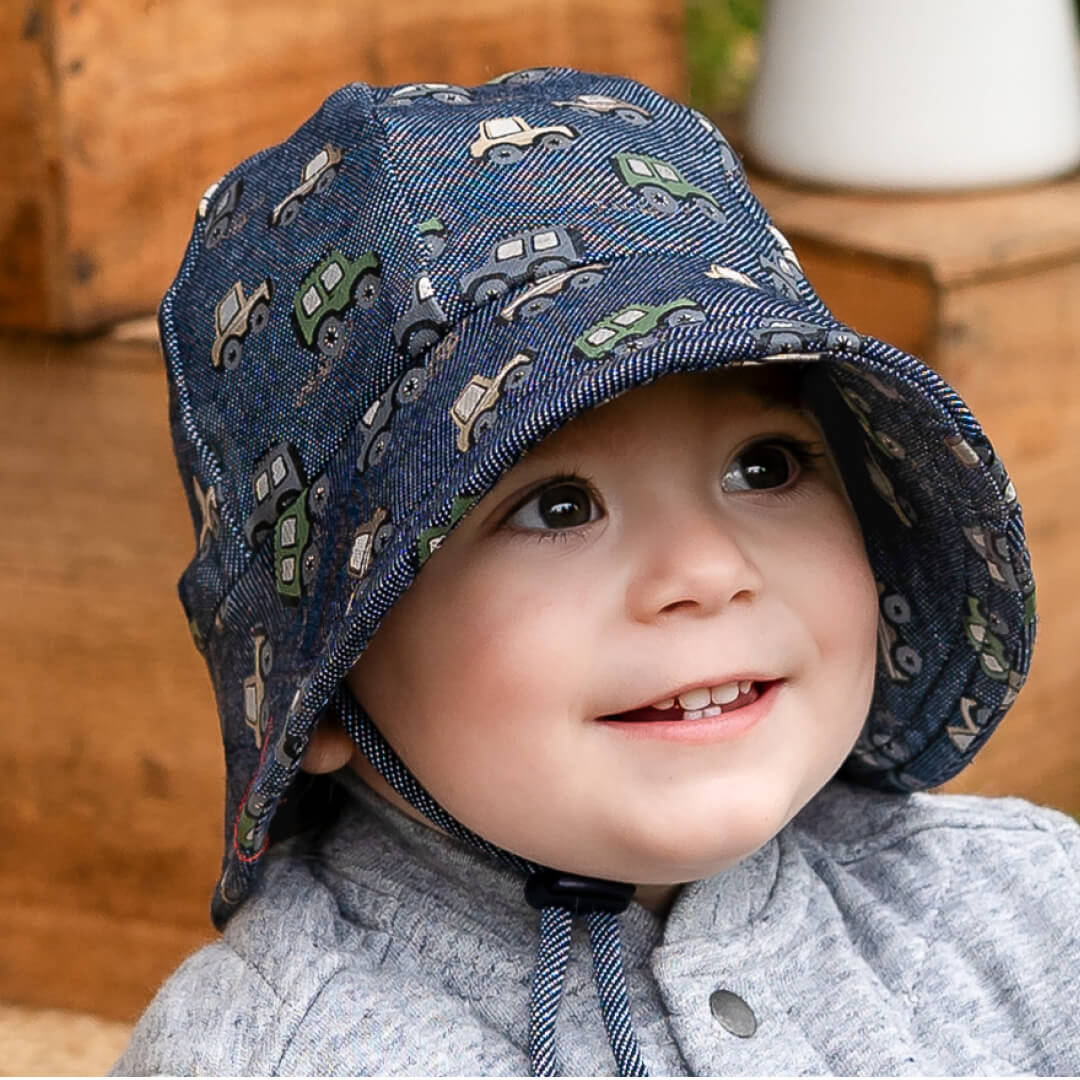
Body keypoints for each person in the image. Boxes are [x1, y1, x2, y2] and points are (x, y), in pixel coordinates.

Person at [112, 68, 1079, 1076]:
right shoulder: (271, 1056)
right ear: (324, 688)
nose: (708, 571)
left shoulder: (1031, 914)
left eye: (766, 466)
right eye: (558, 507)